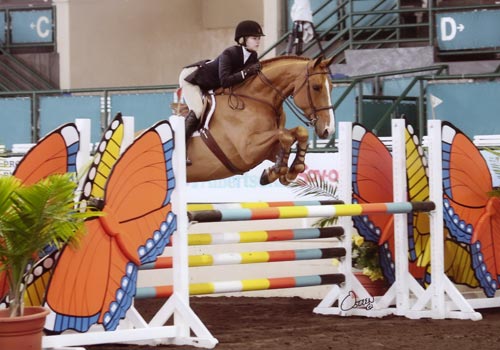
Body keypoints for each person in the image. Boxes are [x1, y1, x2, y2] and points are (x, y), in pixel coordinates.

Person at [178, 20, 265, 158]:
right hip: (193, 78)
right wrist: (246, 72)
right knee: (198, 110)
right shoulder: (229, 53)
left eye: (259, 38)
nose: (258, 41)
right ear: (242, 40)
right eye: (254, 38)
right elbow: (225, 81)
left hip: (210, 83)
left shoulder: (253, 57)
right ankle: (179, 149)